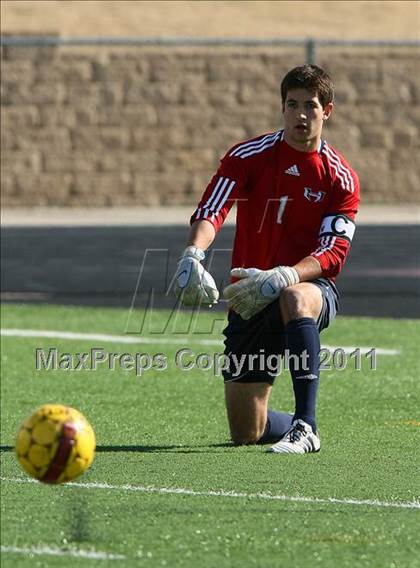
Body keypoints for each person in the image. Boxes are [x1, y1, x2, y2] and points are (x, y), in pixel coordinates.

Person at [174, 64, 360, 454]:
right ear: (282, 108)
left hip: (309, 287)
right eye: (292, 105)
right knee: (246, 430)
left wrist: (286, 275)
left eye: (310, 105)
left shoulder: (340, 178)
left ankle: (307, 426)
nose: (301, 115)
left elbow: (333, 252)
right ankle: (290, 423)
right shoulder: (248, 156)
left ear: (328, 110)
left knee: (295, 298)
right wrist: (194, 252)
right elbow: (213, 208)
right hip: (250, 297)